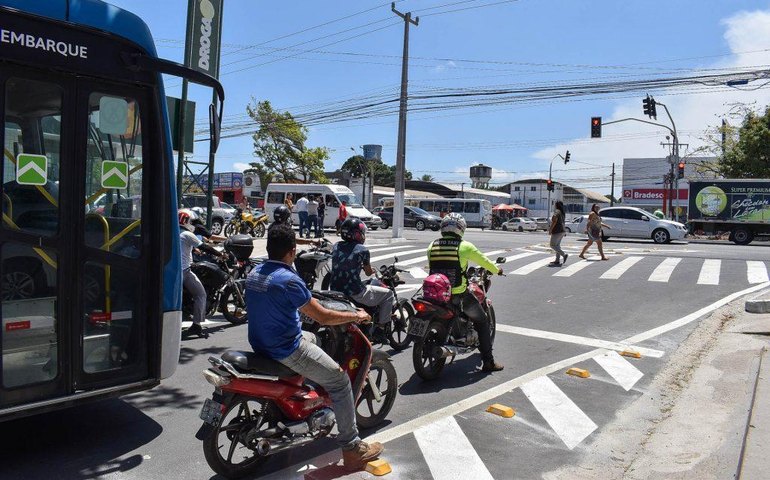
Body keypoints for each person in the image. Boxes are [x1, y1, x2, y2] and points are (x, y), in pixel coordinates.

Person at [245, 224, 383, 470]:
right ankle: (352, 447)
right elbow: (323, 318)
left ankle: (305, 395)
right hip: (287, 348)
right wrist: (355, 316)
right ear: (292, 251)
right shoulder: (289, 280)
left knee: (316, 339)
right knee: (340, 382)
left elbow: (296, 303)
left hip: (260, 342)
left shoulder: (255, 273)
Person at [427, 213, 504, 372]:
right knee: (482, 321)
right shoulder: (464, 246)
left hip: (436, 295)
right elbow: (484, 261)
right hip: (457, 294)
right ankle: (488, 362)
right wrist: (497, 270)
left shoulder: (432, 245)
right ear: (461, 228)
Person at [329, 218, 394, 343]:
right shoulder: (362, 250)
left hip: (336, 290)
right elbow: (368, 272)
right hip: (355, 291)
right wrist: (373, 270)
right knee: (388, 294)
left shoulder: (336, 246)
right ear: (357, 234)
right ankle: (380, 329)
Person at [179, 211, 226, 337]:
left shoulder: (173, 232)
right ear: (186, 222)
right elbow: (205, 247)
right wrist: (220, 254)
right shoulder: (188, 234)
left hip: (174, 271)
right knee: (200, 294)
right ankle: (196, 325)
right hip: (184, 271)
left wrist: (194, 249)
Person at [548, 200, 568, 267]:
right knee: (557, 246)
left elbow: (554, 220)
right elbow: (563, 223)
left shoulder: (557, 211)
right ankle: (557, 260)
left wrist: (550, 229)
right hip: (562, 231)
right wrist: (564, 231)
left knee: (552, 245)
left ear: (556, 205)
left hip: (557, 231)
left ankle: (564, 254)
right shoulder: (562, 213)